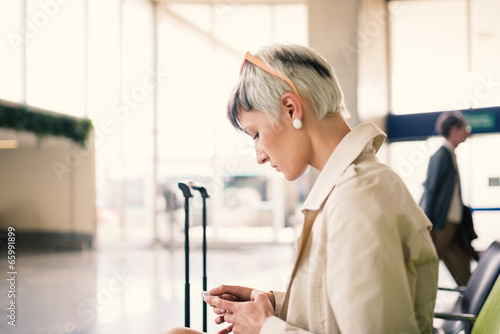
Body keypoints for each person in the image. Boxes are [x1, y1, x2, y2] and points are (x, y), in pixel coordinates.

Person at [165, 43, 438, 334]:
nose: (259, 155)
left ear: (291, 108)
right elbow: (336, 308)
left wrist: (265, 327)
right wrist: (274, 303)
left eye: (256, 133)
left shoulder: (359, 197)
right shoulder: (349, 188)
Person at [419, 110, 476, 287]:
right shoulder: (440, 156)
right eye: (464, 128)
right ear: (453, 130)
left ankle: (471, 304)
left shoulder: (450, 155)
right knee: (428, 265)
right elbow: (431, 191)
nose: (467, 131)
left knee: (463, 268)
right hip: (442, 224)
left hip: (453, 224)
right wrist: (428, 224)